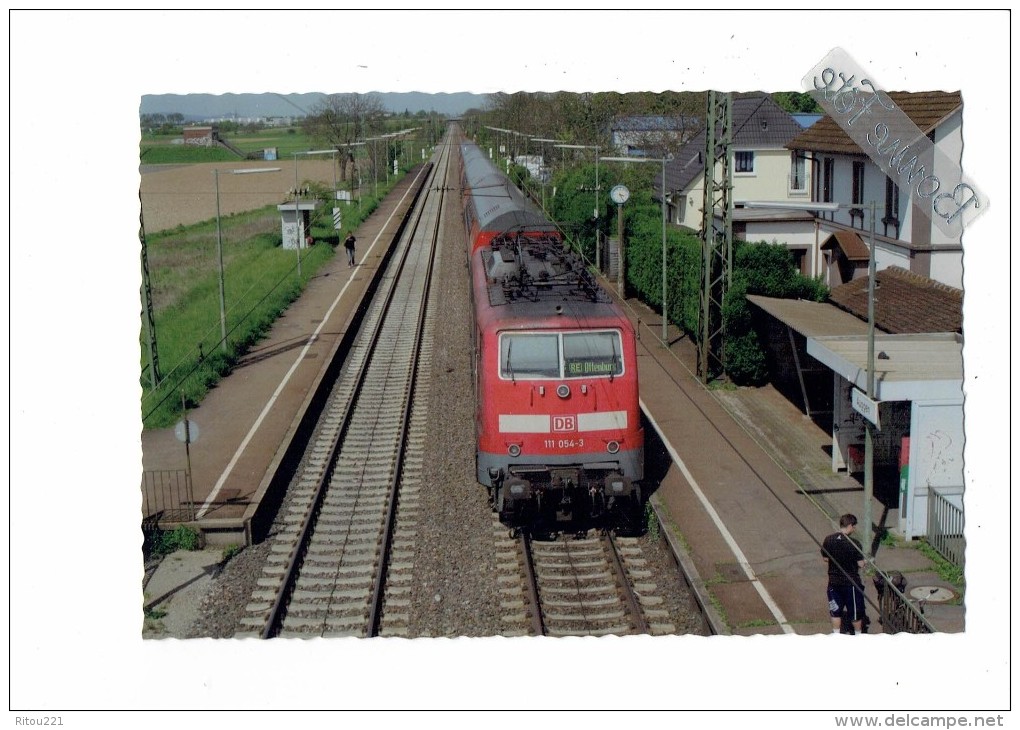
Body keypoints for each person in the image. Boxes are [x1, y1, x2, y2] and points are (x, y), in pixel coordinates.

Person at [821, 513, 867, 634]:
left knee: (835, 612)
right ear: (850, 525)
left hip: (833, 583)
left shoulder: (829, 540)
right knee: (855, 613)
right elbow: (860, 564)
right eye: (854, 526)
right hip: (851, 583)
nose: (854, 529)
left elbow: (826, 558)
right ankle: (858, 635)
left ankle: (836, 635)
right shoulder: (854, 544)